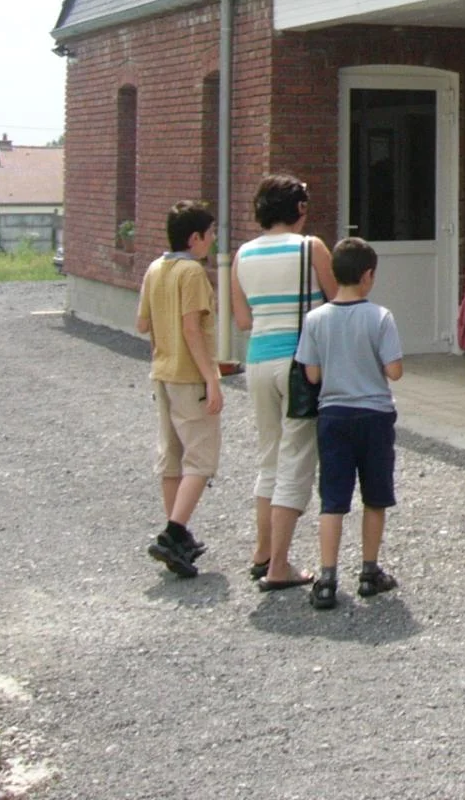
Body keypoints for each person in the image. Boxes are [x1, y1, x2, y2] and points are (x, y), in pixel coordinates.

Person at [231, 175, 336, 591]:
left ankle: (262, 551)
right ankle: (279, 565)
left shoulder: (243, 254)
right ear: (300, 209)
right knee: (298, 458)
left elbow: (243, 320)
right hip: (300, 362)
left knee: (269, 458)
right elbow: (337, 300)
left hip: (258, 359)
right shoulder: (311, 248)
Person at [296, 237, 405, 611]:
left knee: (333, 498)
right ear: (367, 275)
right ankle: (369, 571)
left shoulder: (315, 319)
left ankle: (327, 577)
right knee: (375, 496)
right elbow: (395, 370)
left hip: (334, 414)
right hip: (375, 415)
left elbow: (312, 374)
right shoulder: (381, 317)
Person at [138, 201, 222, 580]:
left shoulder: (155, 269)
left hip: (162, 372)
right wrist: (212, 378)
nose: (213, 240)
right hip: (190, 376)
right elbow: (192, 328)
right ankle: (172, 534)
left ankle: (179, 532)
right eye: (211, 233)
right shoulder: (192, 272)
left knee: (171, 457)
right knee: (201, 459)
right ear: (195, 238)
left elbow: (142, 323)